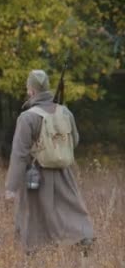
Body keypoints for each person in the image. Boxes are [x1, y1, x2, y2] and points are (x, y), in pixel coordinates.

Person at [5, 69, 94, 252]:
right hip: (63, 171)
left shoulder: (27, 117)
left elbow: (19, 154)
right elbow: (74, 140)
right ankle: (83, 237)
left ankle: (34, 250)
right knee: (70, 207)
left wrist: (11, 187)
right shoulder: (65, 112)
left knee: (33, 213)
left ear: (31, 91)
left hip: (35, 174)